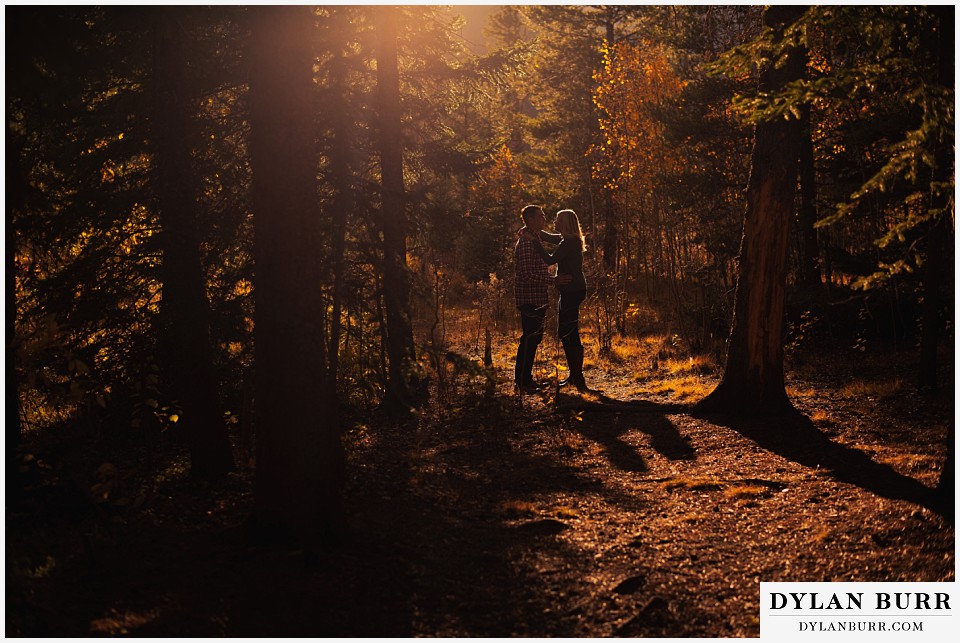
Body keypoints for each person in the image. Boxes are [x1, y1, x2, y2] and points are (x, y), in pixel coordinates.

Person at [523, 208, 588, 391]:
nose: (554, 222)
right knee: (567, 331)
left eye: (558, 220)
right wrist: (530, 228)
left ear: (565, 223)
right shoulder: (567, 240)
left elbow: (550, 260)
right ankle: (575, 376)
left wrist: (534, 241)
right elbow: (549, 237)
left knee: (568, 332)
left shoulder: (569, 242)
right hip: (572, 289)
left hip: (573, 290)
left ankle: (578, 378)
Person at [514, 204, 569, 393]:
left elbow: (561, 239)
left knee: (534, 338)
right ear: (530, 220)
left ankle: (525, 379)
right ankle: (522, 381)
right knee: (530, 338)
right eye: (540, 216)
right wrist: (552, 280)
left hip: (537, 298)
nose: (544, 219)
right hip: (529, 298)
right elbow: (527, 274)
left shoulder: (534, 237)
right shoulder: (526, 243)